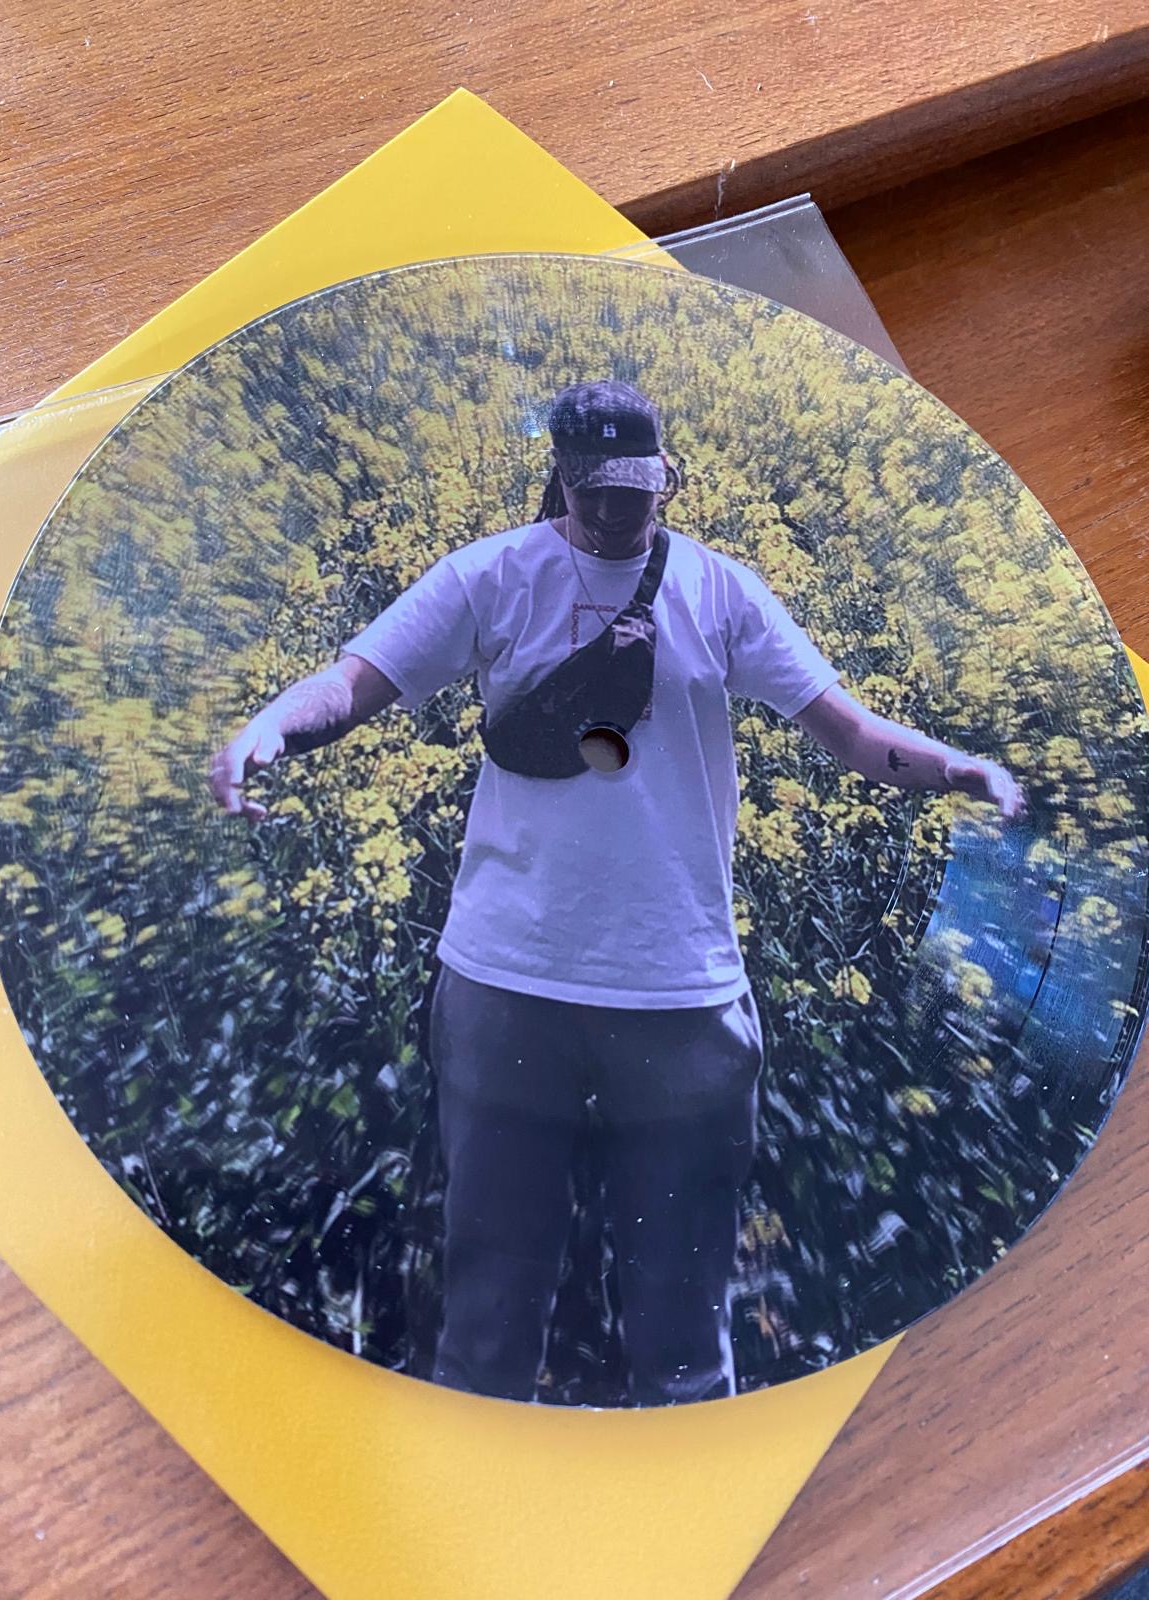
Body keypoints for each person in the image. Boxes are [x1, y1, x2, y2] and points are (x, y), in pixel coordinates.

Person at [209, 380, 1025, 1406]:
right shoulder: (491, 576)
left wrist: (959, 769)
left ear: (666, 477)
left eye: (636, 490)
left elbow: (852, 733)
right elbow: (354, 684)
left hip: (679, 986)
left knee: (687, 1328)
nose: (614, 512)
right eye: (593, 491)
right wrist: (269, 729)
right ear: (559, 476)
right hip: (505, 979)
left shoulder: (720, 592)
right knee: (488, 1310)